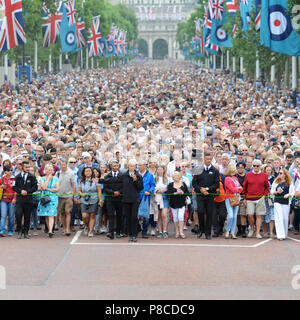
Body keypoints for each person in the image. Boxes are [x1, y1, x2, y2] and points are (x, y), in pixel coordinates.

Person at [192, 153, 220, 240]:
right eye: (207, 159)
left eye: (210, 159)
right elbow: (194, 183)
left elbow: (216, 184)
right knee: (200, 212)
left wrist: (207, 189)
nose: (208, 161)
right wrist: (200, 189)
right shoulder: (198, 169)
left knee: (209, 214)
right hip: (200, 195)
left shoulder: (215, 170)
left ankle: (208, 233)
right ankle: (201, 230)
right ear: (204, 159)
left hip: (210, 195)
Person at [243, 159, 270, 239]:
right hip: (250, 198)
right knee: (250, 215)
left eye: (257, 166)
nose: (255, 167)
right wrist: (244, 197)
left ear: (260, 166)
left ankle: (257, 232)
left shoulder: (264, 175)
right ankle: (252, 228)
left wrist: (264, 195)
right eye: (254, 166)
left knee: (259, 216)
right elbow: (245, 187)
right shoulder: (248, 175)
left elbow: (267, 187)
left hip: (260, 198)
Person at [13, 161, 38, 239]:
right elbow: (14, 187)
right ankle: (20, 231)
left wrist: (28, 191)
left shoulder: (32, 176)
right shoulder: (17, 176)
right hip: (19, 200)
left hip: (28, 200)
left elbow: (35, 187)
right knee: (18, 215)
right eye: (26, 167)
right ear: (22, 167)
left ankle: (26, 232)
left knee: (27, 217)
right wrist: (21, 191)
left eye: (28, 167)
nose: (28, 168)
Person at [121, 159, 143, 242]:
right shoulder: (123, 175)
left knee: (134, 217)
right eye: (130, 165)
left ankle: (134, 234)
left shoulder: (138, 176)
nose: (132, 167)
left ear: (135, 166)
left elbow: (141, 187)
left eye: (133, 166)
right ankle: (130, 234)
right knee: (128, 217)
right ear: (128, 166)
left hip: (135, 200)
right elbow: (118, 184)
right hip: (126, 199)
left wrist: (136, 180)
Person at [78, 167, 103, 237]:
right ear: (84, 173)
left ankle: (91, 230)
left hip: (94, 200)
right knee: (84, 216)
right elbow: (79, 190)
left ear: (92, 172)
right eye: (86, 171)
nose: (88, 172)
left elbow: (99, 191)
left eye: (89, 171)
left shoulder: (95, 180)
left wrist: (100, 200)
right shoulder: (81, 181)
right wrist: (82, 194)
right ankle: (86, 226)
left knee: (92, 215)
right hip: (84, 200)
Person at [271, 169, 295, 240]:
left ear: (285, 174)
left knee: (285, 218)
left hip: (286, 202)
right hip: (277, 201)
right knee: (279, 217)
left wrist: (288, 194)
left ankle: (284, 233)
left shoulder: (289, 182)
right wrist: (276, 192)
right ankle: (280, 235)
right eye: (279, 173)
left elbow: (293, 192)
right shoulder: (276, 181)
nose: (279, 174)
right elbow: (271, 191)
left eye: (281, 173)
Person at [37, 164, 60, 238]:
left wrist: (49, 189)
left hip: (53, 198)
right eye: (48, 170)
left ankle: (50, 231)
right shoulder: (42, 179)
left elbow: (57, 189)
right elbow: (43, 187)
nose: (50, 171)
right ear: (45, 171)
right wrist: (47, 179)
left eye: (51, 170)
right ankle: (49, 229)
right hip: (45, 198)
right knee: (47, 215)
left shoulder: (56, 179)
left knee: (51, 214)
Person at [103, 159, 123, 239]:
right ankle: (111, 232)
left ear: (118, 166)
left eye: (117, 166)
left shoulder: (122, 176)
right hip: (110, 199)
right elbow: (105, 188)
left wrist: (119, 192)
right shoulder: (107, 176)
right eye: (114, 166)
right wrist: (112, 192)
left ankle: (118, 232)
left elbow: (124, 186)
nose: (115, 167)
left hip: (120, 199)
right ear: (111, 167)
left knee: (119, 216)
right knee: (110, 215)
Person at [167, 171, 189, 239]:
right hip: (173, 203)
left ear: (180, 176)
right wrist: (175, 193)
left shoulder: (183, 184)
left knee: (181, 216)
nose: (176, 177)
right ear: (173, 177)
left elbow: (187, 193)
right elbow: (168, 193)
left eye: (177, 175)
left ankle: (181, 231)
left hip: (182, 203)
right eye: (175, 176)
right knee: (175, 217)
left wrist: (182, 192)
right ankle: (177, 231)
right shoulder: (170, 184)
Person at [57, 158, 76, 236]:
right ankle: (64, 228)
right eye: (62, 164)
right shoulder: (58, 173)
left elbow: (74, 185)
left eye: (65, 164)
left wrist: (74, 196)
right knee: (62, 213)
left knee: (68, 212)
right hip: (60, 196)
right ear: (60, 165)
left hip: (69, 195)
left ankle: (68, 228)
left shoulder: (71, 173)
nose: (63, 166)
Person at [138, 159, 156, 239]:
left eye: (140, 165)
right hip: (136, 197)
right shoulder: (135, 174)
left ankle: (144, 232)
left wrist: (149, 191)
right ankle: (137, 228)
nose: (139, 167)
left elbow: (153, 185)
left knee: (146, 216)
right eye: (138, 165)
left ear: (145, 166)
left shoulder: (150, 175)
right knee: (135, 214)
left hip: (146, 198)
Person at [224, 165, 243, 239]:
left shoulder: (235, 178)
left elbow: (241, 189)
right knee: (231, 215)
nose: (235, 171)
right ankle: (227, 230)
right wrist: (238, 188)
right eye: (234, 170)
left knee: (235, 216)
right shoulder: (227, 179)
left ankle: (232, 232)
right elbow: (231, 189)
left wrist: (238, 189)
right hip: (229, 198)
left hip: (236, 197)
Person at [0, 165, 16, 237]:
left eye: (11, 170)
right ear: (5, 171)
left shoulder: (14, 179)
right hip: (3, 199)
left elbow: (16, 190)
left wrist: (14, 198)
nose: (10, 172)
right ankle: (2, 230)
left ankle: (10, 230)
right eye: (9, 170)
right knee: (3, 216)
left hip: (12, 200)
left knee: (11, 216)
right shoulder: (2, 179)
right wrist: (1, 187)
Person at [155, 165, 169, 239]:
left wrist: (164, 190)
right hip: (157, 198)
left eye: (161, 169)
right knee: (158, 215)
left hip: (164, 198)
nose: (159, 171)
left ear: (164, 170)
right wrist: (156, 190)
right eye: (158, 169)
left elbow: (169, 187)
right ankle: (160, 231)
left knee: (164, 214)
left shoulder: (167, 179)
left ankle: (165, 231)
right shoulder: (155, 178)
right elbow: (152, 187)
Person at [262, 164, 276, 238]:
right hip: (263, 199)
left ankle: (271, 232)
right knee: (264, 215)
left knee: (271, 215)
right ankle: (265, 232)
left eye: (270, 170)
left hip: (271, 199)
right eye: (267, 170)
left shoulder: (274, 179)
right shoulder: (262, 178)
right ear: (264, 170)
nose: (268, 171)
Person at [235, 162, 247, 238]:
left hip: (243, 198)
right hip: (235, 198)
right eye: (239, 168)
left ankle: (243, 231)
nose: (240, 169)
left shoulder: (247, 176)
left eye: (242, 167)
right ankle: (238, 230)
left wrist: (246, 198)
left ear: (244, 168)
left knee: (243, 215)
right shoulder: (235, 177)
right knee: (237, 215)